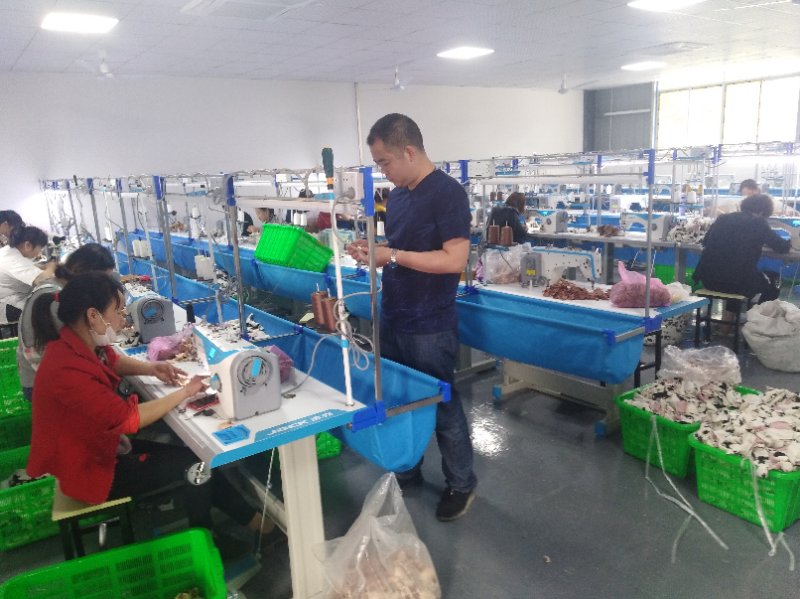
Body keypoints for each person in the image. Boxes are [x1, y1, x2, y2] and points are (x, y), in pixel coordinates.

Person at [26, 272, 274, 537]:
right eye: (118, 311)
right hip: (90, 470)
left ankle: (256, 522)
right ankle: (206, 540)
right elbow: (128, 419)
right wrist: (186, 392)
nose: (123, 319)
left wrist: (152, 368)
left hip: (99, 448)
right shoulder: (66, 370)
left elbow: (111, 361)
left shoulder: (73, 343)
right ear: (93, 316)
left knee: (193, 453)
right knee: (195, 463)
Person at [347, 113, 477, 522]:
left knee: (442, 405)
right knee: (401, 399)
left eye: (385, 162)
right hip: (395, 313)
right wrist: (374, 250)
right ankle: (408, 469)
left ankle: (461, 483)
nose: (383, 172)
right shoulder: (399, 196)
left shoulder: (447, 194)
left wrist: (393, 256)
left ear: (408, 151)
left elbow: (454, 260)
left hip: (429, 323)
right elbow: (401, 247)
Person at [17, 243, 117, 401]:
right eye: (100, 281)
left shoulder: (57, 287)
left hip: (44, 376)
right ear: (83, 271)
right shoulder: (56, 299)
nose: (102, 287)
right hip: (41, 385)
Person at [693, 194, 790, 324]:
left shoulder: (723, 219)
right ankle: (758, 323)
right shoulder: (758, 223)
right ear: (762, 212)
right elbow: (782, 247)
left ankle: (727, 325)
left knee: (738, 274)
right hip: (737, 283)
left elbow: (705, 241)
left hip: (708, 280)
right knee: (774, 280)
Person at [0, 225, 56, 326]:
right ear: (28, 245)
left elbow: (27, 266)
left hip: (13, 295)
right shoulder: (13, 260)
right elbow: (41, 280)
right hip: (5, 304)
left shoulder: (11, 251)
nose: (39, 253)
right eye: (40, 249)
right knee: (46, 310)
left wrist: (45, 267)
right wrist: (51, 267)